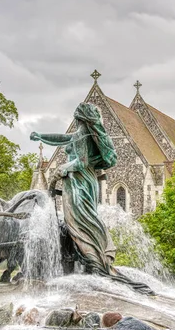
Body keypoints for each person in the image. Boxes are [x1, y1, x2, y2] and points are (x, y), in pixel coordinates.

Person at [30, 102, 154, 295]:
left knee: (81, 221)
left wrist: (64, 168)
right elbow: (62, 138)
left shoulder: (82, 135)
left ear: (79, 116)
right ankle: (96, 259)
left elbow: (82, 161)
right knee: (86, 219)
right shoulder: (83, 134)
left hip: (79, 183)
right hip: (84, 181)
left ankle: (95, 262)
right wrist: (41, 137)